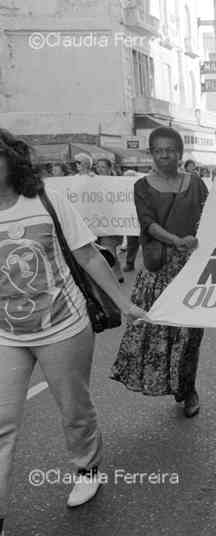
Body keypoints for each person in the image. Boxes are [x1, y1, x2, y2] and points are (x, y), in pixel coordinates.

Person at [0, 129, 147, 533]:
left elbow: (85, 252)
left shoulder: (46, 198)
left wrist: (124, 302)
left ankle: (87, 468)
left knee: (74, 410)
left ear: (11, 161)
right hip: (6, 334)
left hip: (63, 326)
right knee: (2, 423)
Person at [110, 127, 208, 418]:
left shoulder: (197, 183)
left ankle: (187, 390)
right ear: (151, 153)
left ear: (180, 152)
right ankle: (163, 382)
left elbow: (210, 216)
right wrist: (176, 240)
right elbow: (148, 223)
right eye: (158, 150)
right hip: (160, 269)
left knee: (190, 337)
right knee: (156, 333)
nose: (164, 154)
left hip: (192, 270)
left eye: (170, 149)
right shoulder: (142, 185)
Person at [91, 160, 125, 283]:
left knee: (109, 249)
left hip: (112, 222)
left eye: (103, 167)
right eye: (98, 167)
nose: (100, 169)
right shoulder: (92, 181)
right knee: (104, 250)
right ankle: (117, 272)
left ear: (110, 169)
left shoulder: (116, 182)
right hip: (97, 221)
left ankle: (114, 275)